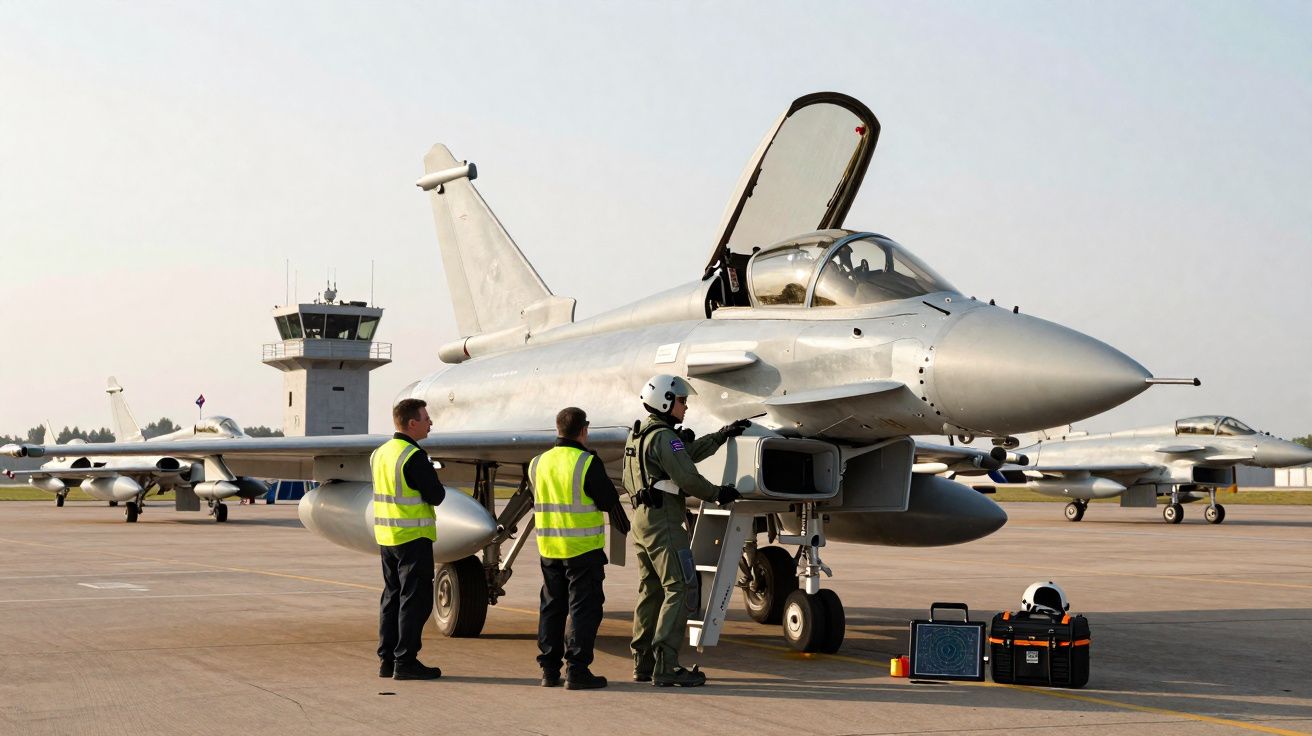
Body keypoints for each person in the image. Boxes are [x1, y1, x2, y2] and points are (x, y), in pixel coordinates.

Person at [622, 375, 750, 687]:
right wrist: (719, 493)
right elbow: (688, 477)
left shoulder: (639, 436)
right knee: (678, 587)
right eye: (681, 400)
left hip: (642, 521)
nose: (685, 405)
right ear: (666, 402)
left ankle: (644, 662)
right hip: (664, 522)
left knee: (650, 590)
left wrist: (720, 436)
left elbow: (683, 455)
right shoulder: (665, 438)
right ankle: (666, 666)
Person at [530, 407, 630, 690]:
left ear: (558, 429)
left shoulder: (537, 462)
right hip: (582, 550)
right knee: (583, 610)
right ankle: (577, 669)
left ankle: (549, 671)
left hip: (549, 547)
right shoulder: (586, 463)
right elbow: (606, 499)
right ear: (584, 430)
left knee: (552, 608)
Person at [372, 398, 446, 680]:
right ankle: (406, 661)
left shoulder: (380, 453)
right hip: (413, 538)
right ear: (412, 423)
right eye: (426, 418)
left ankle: (387, 660)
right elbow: (436, 496)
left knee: (391, 597)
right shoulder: (413, 456)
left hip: (387, 536)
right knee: (414, 601)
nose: (430, 423)